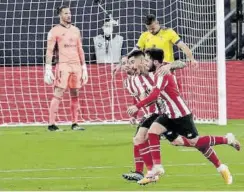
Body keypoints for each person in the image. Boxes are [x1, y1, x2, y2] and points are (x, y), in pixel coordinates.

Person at [127, 48, 241, 185]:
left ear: (154, 62)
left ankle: (227, 142)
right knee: (153, 132)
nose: (144, 63)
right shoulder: (142, 76)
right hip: (167, 114)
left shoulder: (163, 71)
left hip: (180, 114)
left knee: (196, 142)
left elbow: (180, 65)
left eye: (146, 60)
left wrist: (137, 106)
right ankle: (156, 168)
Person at [121, 51, 187, 182]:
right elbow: (139, 99)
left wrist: (169, 66)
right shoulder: (130, 81)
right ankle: (145, 172)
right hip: (152, 114)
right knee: (140, 139)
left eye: (130, 62)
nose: (127, 66)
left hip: (164, 113)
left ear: (141, 61)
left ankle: (149, 172)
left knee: (140, 139)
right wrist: (135, 114)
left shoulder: (155, 70)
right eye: (124, 64)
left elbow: (182, 64)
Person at [44, 5, 88, 131]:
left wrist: (84, 67)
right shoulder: (54, 31)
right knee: (58, 93)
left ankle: (75, 123)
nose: (69, 15)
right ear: (60, 15)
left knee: (75, 94)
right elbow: (49, 50)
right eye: (66, 13)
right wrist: (48, 68)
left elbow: (80, 49)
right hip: (63, 65)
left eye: (70, 13)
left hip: (76, 66)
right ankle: (51, 124)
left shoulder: (76, 30)